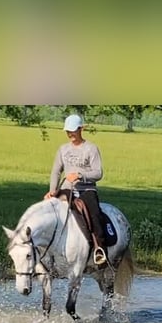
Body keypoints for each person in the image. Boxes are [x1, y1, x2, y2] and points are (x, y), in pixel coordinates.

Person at [45, 114, 107, 266]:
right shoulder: (63, 149)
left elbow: (98, 173)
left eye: (73, 130)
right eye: (68, 131)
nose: (70, 134)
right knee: (50, 210)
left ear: (81, 129)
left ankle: (100, 249)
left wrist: (81, 175)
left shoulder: (91, 148)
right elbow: (56, 171)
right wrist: (52, 190)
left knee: (94, 214)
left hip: (87, 189)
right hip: (66, 188)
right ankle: (45, 249)